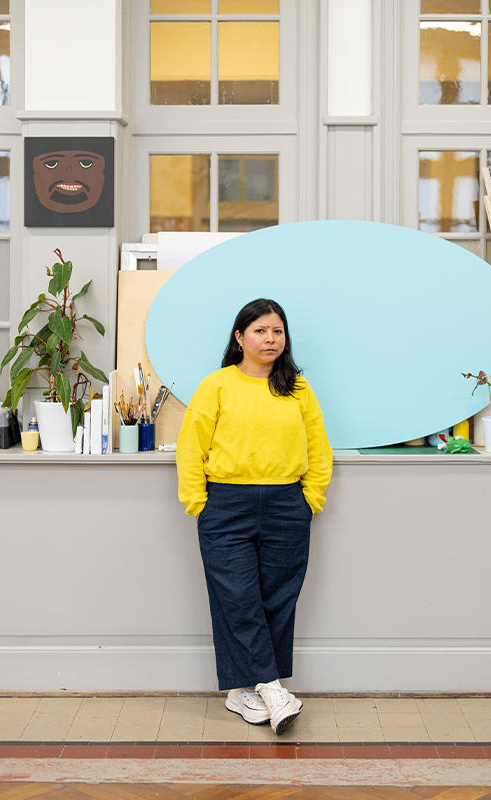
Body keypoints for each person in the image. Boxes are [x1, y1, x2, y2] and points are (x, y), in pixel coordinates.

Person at [176, 298, 333, 734]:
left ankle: (243, 690)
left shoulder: (297, 388)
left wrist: (311, 497)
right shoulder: (217, 385)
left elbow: (319, 447)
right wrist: (197, 500)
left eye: (277, 331)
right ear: (239, 336)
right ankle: (272, 686)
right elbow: (192, 446)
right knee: (238, 598)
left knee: (278, 598)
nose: (270, 339)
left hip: (287, 504)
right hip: (225, 504)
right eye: (260, 331)